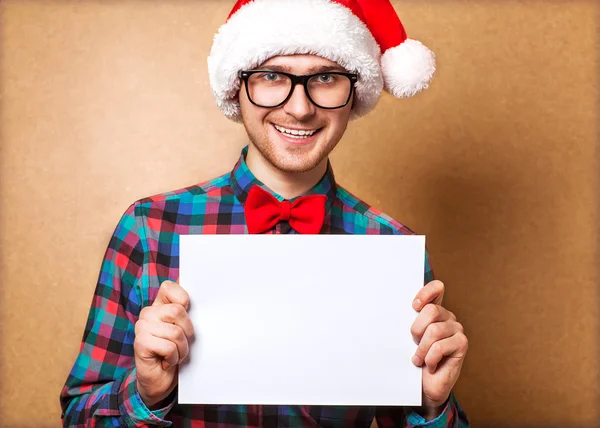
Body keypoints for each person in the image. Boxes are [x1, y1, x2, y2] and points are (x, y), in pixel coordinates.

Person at [60, 0, 470, 426]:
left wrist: (432, 406)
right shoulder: (149, 228)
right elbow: (77, 417)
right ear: (237, 87)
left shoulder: (392, 248)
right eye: (272, 75)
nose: (300, 108)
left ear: (356, 93)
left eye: (326, 77)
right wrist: (145, 393)